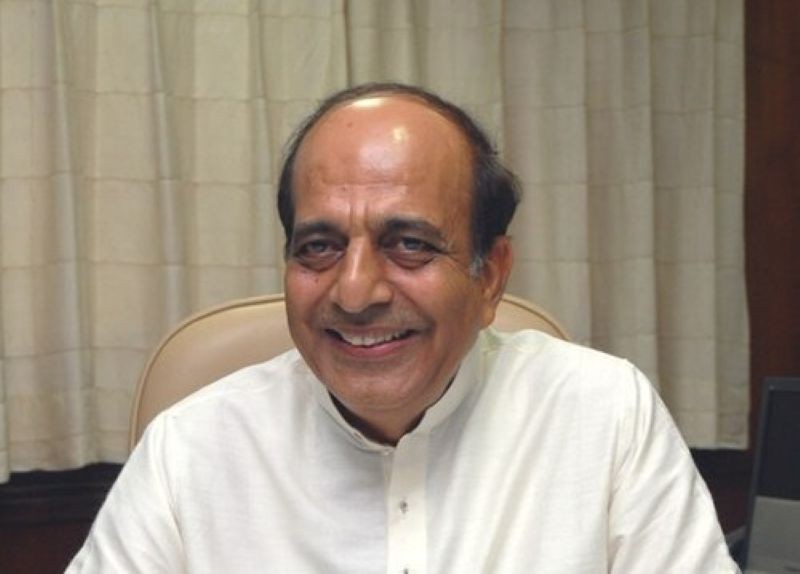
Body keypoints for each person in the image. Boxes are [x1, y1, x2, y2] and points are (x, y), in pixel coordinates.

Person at [67, 83, 739, 572]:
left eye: (409, 244)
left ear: (490, 276)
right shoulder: (189, 451)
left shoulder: (605, 415)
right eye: (319, 247)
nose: (355, 292)